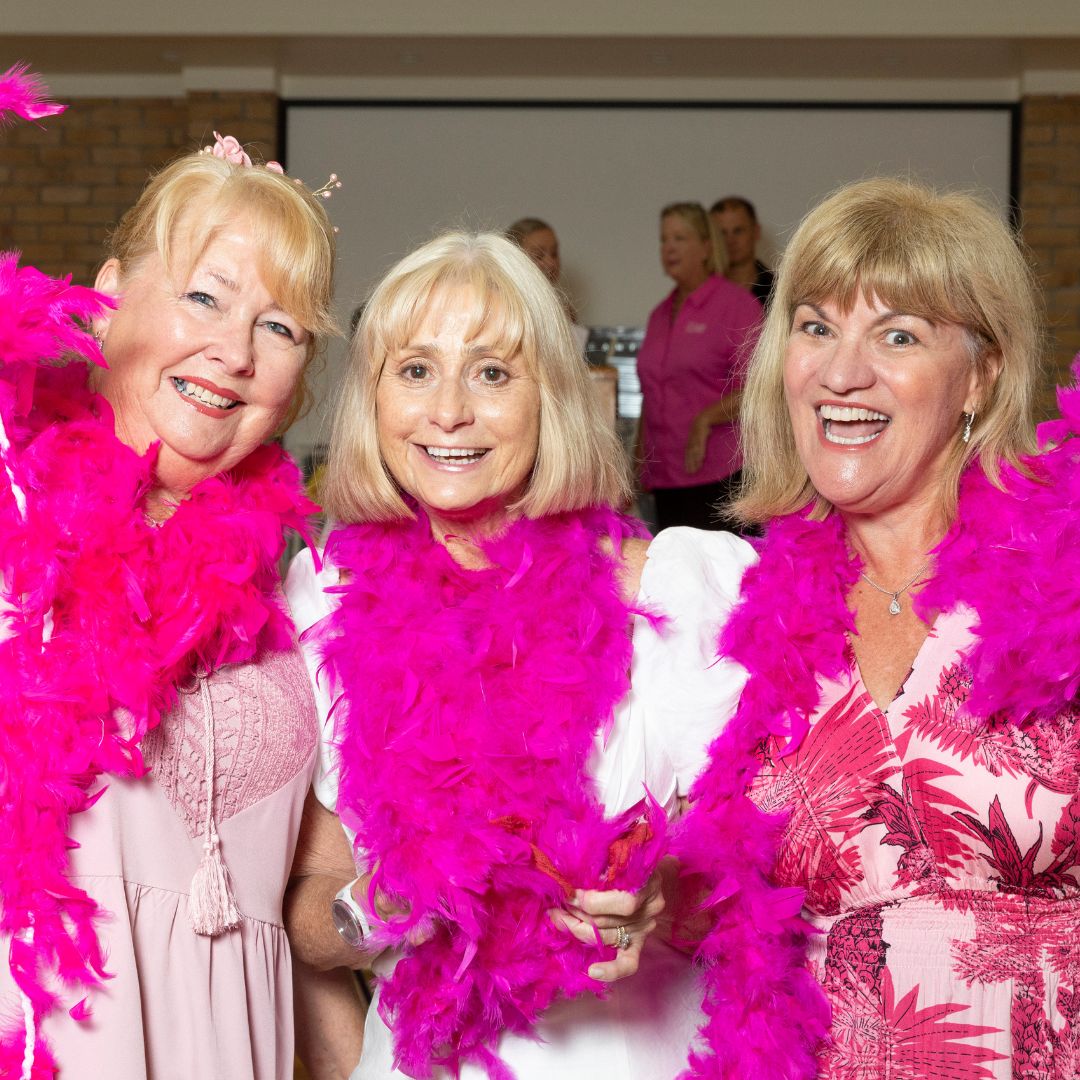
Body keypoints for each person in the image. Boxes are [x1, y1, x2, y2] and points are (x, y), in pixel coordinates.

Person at [667, 178, 1080, 1077]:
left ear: (983, 374)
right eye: (816, 327)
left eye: (897, 335)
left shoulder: (1064, 571)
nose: (842, 372)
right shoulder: (732, 613)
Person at [284, 231, 719, 1079]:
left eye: (492, 372)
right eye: (414, 370)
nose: (449, 410)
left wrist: (666, 899)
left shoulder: (671, 594)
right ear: (373, 401)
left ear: (551, 397)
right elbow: (298, 911)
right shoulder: (322, 598)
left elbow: (777, 872)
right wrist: (384, 902)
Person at [0, 94, 339, 1080]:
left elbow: (313, 902)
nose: (234, 353)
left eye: (277, 326)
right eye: (205, 296)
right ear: (108, 296)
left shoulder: (308, 585)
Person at [635, 201, 763, 532]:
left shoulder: (737, 306)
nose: (669, 248)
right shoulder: (659, 314)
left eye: (680, 238)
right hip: (664, 479)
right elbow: (651, 396)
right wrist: (638, 465)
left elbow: (762, 389)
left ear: (706, 247)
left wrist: (707, 418)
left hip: (720, 477)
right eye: (664, 240)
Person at [506, 216, 589, 352]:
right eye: (539, 255)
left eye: (554, 253)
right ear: (515, 259)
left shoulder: (566, 311)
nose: (551, 263)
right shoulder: (505, 309)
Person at [709, 195, 775, 306]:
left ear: (756, 232)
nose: (730, 241)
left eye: (738, 231)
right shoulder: (701, 290)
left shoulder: (778, 290)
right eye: (722, 233)